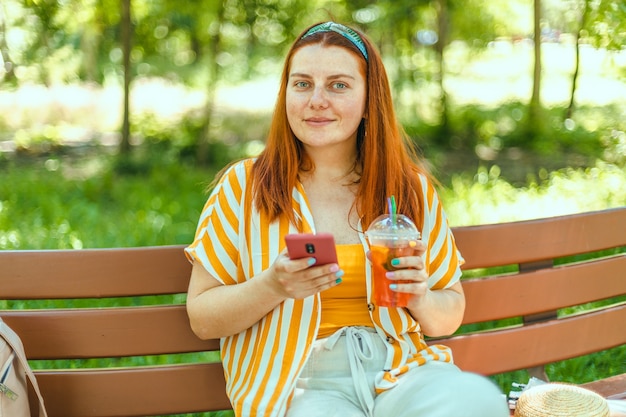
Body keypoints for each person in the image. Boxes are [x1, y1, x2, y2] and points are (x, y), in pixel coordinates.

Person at [185, 21, 509, 417]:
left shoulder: (409, 190)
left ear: (370, 99)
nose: (316, 100)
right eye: (302, 84)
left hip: (400, 371)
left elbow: (449, 313)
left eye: (338, 85)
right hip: (299, 380)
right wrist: (273, 285)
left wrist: (421, 296)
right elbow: (202, 317)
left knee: (477, 401)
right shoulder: (244, 187)